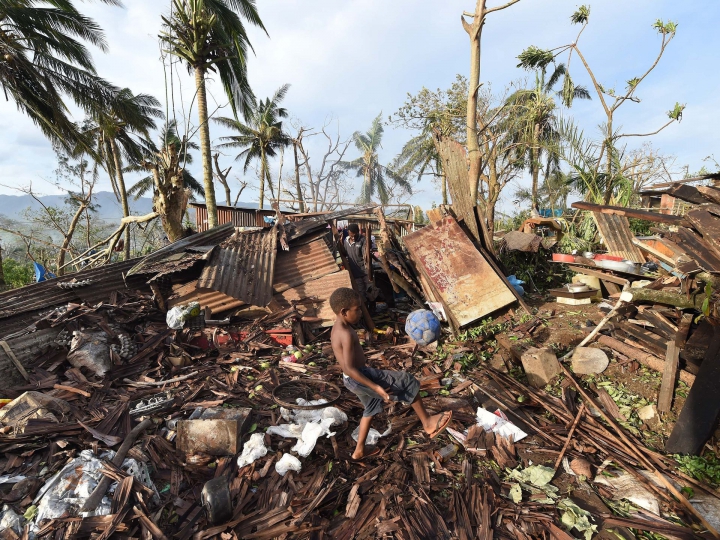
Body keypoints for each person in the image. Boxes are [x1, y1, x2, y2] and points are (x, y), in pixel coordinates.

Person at [330, 287, 452, 460]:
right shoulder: (346, 334)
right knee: (407, 381)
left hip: (350, 380)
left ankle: (359, 451)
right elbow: (350, 367)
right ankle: (428, 423)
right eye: (357, 310)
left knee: (370, 408)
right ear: (344, 311)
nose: (360, 313)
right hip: (360, 376)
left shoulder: (337, 329)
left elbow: (347, 368)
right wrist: (376, 387)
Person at [344, 224, 371, 304]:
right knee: (360, 292)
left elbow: (366, 255)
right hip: (355, 272)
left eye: (355, 235)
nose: (353, 237)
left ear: (358, 232)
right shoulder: (346, 241)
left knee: (370, 291)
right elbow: (345, 253)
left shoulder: (363, 240)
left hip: (365, 271)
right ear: (348, 233)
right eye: (351, 235)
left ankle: (372, 309)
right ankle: (365, 310)